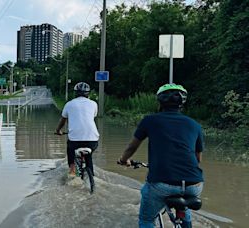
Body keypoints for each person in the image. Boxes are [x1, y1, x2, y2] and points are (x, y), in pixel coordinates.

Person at [118, 83, 204, 228]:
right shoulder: (194, 125)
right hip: (194, 184)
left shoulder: (150, 121)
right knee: (184, 206)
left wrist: (123, 160)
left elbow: (132, 146)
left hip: (162, 184)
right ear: (182, 103)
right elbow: (198, 159)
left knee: (146, 219)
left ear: (159, 101)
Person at [55, 82, 100, 178]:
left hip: (75, 141)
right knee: (89, 154)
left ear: (75, 93)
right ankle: (91, 175)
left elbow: (63, 121)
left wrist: (58, 130)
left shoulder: (69, 104)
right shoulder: (94, 104)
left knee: (70, 147)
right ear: (88, 93)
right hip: (93, 140)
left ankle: (72, 169)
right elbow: (92, 116)